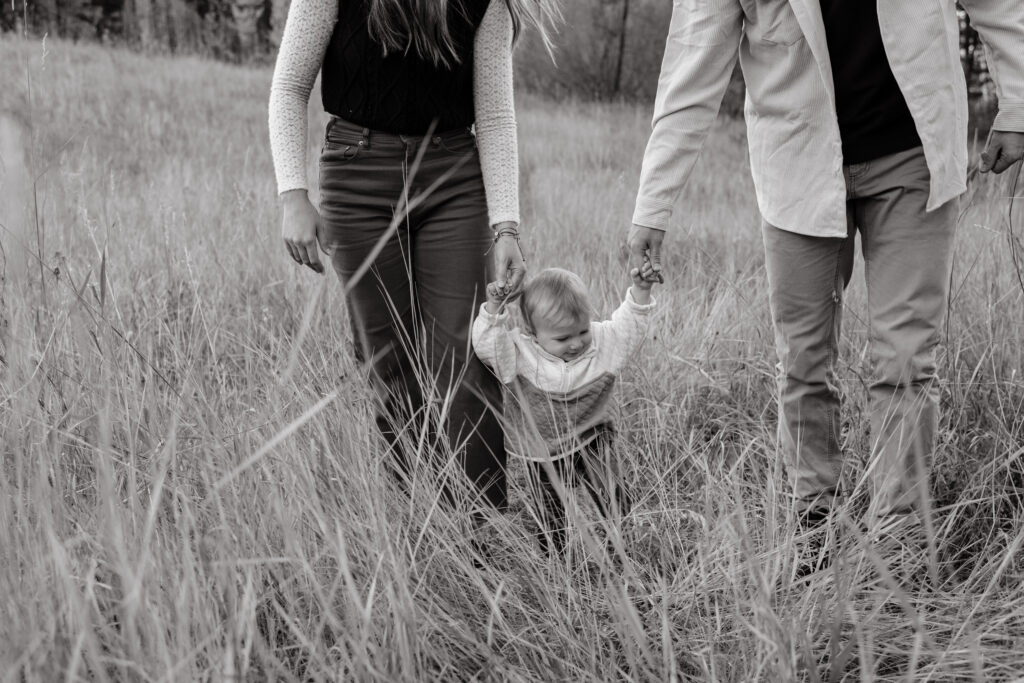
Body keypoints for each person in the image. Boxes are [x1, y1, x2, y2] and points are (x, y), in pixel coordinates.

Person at [627, 0, 1024, 566]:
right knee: (804, 361)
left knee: (908, 359)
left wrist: (1018, 103)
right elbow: (693, 63)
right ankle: (814, 523)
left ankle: (900, 542)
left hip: (913, 149)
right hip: (799, 160)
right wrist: (653, 207)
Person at [268, 0, 554, 516]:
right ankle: (417, 518)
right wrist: (293, 194)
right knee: (388, 363)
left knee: (469, 356)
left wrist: (506, 226)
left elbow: (494, 116)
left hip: (453, 180)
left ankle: (479, 529)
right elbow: (289, 88)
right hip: (357, 177)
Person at [471, 266, 658, 553]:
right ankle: (557, 559)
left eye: (581, 331)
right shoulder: (521, 354)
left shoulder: (601, 343)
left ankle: (620, 548)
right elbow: (487, 345)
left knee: (613, 495)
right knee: (550, 513)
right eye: (561, 339)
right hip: (542, 450)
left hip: (592, 438)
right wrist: (494, 310)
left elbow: (628, 328)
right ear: (532, 333)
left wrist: (641, 291)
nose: (575, 344)